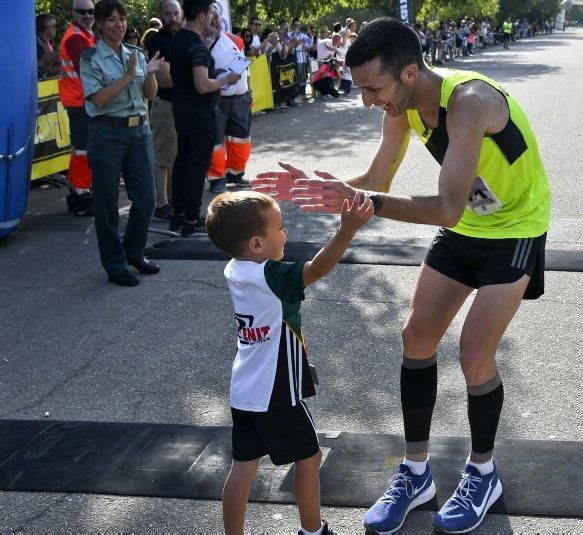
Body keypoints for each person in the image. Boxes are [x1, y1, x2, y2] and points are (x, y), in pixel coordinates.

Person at [252, 17, 551, 534]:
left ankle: (483, 472)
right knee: (415, 336)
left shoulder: (470, 103)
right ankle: (416, 472)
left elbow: (447, 208)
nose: (367, 101)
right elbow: (376, 179)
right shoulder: (404, 106)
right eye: (361, 89)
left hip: (515, 227)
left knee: (475, 351)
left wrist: (365, 201)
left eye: (374, 88)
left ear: (410, 72)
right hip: (470, 225)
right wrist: (326, 189)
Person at [206, 190, 373, 535]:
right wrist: (347, 230)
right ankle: (314, 532)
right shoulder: (270, 276)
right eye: (280, 228)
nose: (285, 234)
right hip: (276, 392)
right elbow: (317, 269)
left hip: (245, 389)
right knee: (309, 458)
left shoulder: (235, 269)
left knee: (242, 468)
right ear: (256, 244)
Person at [80, 0, 164, 286]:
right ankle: (115, 265)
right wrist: (128, 76)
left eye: (122, 19)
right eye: (112, 20)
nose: (119, 25)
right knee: (106, 202)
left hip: (139, 132)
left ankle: (134, 252)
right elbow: (98, 99)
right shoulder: (90, 58)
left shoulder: (136, 53)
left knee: (146, 198)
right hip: (107, 133)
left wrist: (149, 73)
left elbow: (149, 95)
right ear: (101, 25)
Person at [168, 0, 240, 237]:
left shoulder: (177, 39)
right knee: (197, 166)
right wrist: (225, 80)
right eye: (210, 12)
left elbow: (179, 78)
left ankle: (179, 215)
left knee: (183, 162)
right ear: (201, 15)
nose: (212, 17)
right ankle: (191, 218)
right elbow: (202, 85)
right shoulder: (196, 46)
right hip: (200, 113)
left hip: (182, 109)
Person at [205, 7, 252, 193]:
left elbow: (245, 65)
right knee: (215, 141)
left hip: (241, 98)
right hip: (218, 100)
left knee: (241, 139)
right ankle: (216, 178)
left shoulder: (234, 39)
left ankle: (236, 174)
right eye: (212, 16)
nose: (216, 20)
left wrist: (249, 92)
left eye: (217, 16)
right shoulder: (201, 42)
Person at [59, 0, 97, 216]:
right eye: (82, 12)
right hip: (80, 101)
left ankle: (80, 191)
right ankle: (81, 195)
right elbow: (90, 68)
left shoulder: (85, 35)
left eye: (91, 11)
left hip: (83, 101)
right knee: (83, 149)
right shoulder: (76, 37)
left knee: (83, 149)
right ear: (73, 12)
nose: (87, 15)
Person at [146, 0, 182, 221]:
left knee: (175, 157)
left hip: (179, 106)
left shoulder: (182, 38)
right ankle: (161, 204)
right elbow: (165, 79)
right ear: (161, 15)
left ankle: (171, 201)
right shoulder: (157, 40)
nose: (172, 18)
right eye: (167, 14)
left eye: (176, 13)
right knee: (163, 158)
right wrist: (193, 78)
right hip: (164, 105)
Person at [36, 14, 60, 79]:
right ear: (47, 29)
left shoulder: (47, 42)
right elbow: (42, 70)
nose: (56, 28)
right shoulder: (37, 46)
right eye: (54, 26)